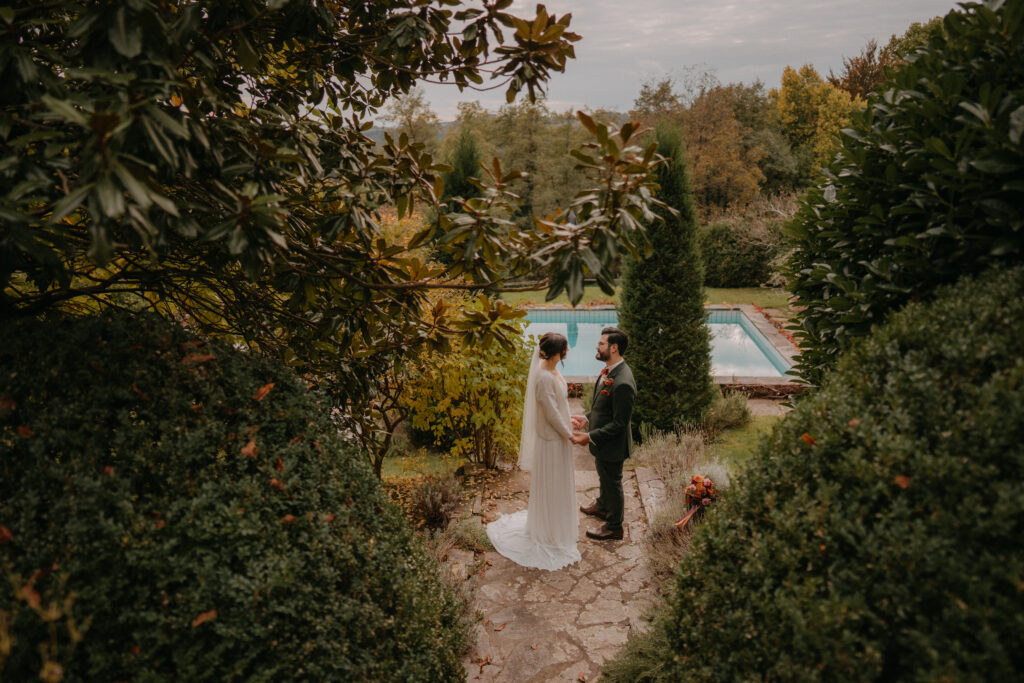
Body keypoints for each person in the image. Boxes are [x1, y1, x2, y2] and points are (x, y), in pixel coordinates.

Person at [485, 332, 581, 570]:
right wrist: (569, 434)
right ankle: (549, 532)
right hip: (551, 442)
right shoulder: (543, 377)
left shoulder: (552, 370)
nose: (567, 352)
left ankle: (558, 527)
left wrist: (573, 419)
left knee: (559, 483)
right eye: (565, 349)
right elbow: (550, 413)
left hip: (558, 438)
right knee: (552, 484)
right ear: (559, 352)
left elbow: (560, 406)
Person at [571, 327, 636, 541]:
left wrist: (589, 436)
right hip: (603, 443)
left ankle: (614, 526)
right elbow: (604, 407)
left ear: (614, 348)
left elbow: (619, 423)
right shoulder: (610, 370)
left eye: (601, 344)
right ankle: (602, 505)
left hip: (613, 445)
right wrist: (588, 418)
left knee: (613, 481)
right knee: (603, 475)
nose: (597, 347)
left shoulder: (623, 382)